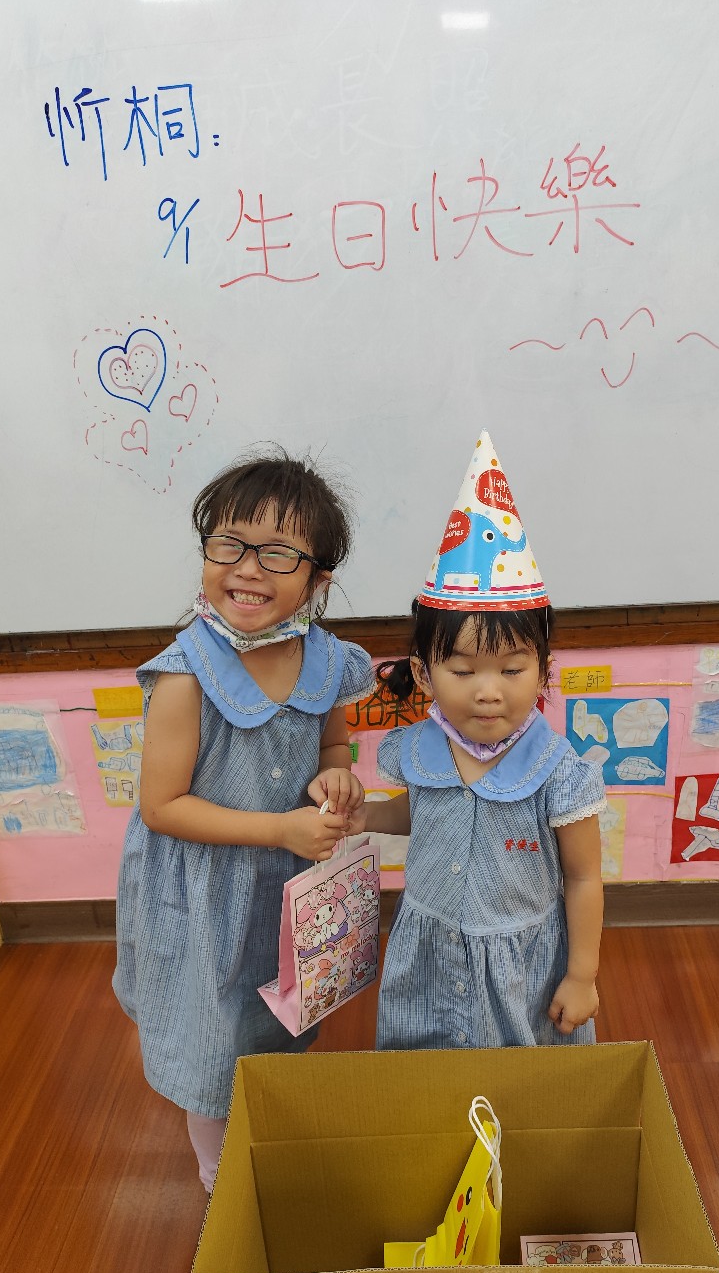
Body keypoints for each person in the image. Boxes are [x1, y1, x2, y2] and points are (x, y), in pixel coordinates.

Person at [113, 448, 373, 1193]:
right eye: (229, 544)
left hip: (284, 883)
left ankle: (266, 1110)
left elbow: (331, 746)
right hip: (204, 890)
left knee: (276, 1012)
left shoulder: (326, 661)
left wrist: (336, 777)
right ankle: (217, 1165)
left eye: (278, 553)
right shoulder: (185, 676)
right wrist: (280, 830)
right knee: (213, 1031)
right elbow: (162, 808)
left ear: (318, 579)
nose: (248, 569)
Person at [357, 431, 607, 1051]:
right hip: (428, 949)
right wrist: (366, 815)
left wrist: (582, 975)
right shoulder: (418, 750)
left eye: (512, 669)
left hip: (521, 967)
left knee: (519, 1083)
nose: (488, 692)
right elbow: (425, 812)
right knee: (425, 1076)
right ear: (424, 675)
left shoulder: (559, 772)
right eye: (464, 671)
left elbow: (583, 878)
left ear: (543, 671)